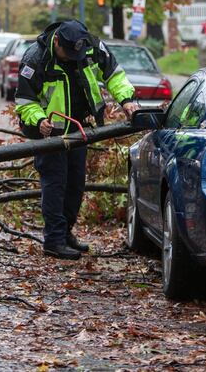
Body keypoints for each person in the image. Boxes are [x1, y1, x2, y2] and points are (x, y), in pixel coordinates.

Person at [15, 20, 138, 260]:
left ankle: (66, 232)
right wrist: (40, 120)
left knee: (75, 183)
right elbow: (24, 101)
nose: (73, 58)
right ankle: (54, 240)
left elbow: (114, 74)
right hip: (49, 134)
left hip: (78, 128)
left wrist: (127, 100)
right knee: (55, 183)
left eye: (77, 54)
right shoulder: (35, 59)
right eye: (68, 54)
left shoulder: (90, 46)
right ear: (57, 42)